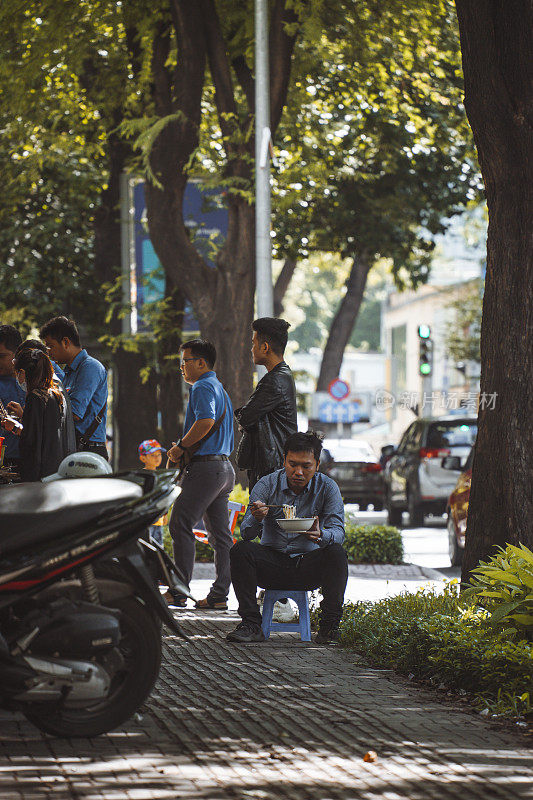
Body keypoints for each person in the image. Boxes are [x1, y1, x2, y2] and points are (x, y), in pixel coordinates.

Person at [227, 431, 348, 645]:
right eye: (292, 464)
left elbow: (339, 533)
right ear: (284, 461)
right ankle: (251, 624)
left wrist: (322, 535)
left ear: (317, 465)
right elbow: (246, 534)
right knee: (240, 550)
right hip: (271, 564)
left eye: (306, 466)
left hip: (308, 567)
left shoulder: (327, 488)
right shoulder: (266, 484)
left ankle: (329, 627)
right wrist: (256, 518)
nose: (298, 472)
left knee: (336, 553)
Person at [166, 339, 235, 610]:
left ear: (201, 363)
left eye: (185, 361)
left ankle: (179, 591)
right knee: (220, 536)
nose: (182, 367)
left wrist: (180, 447)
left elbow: (206, 420)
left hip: (206, 468)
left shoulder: (203, 386)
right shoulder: (220, 388)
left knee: (179, 523)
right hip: (224, 469)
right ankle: (219, 596)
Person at [234, 317, 297, 489]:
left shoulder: (274, 380)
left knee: (264, 514)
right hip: (275, 465)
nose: (252, 349)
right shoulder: (282, 375)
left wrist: (245, 418)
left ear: (265, 347)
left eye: (254, 343)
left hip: (271, 467)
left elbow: (245, 417)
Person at [40, 316, 108, 460]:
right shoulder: (69, 372)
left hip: (90, 451)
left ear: (65, 342)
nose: (49, 352)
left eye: (51, 346)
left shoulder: (90, 367)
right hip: (75, 447)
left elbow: (74, 413)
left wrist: (37, 414)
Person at [2, 349, 76, 481]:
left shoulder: (35, 397)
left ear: (23, 373)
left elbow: (31, 441)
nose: (17, 378)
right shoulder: (55, 394)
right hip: (56, 470)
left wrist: (14, 427)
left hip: (40, 475)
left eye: (17, 373)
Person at [0, 325, 25, 471]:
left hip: (31, 460)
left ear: (17, 353)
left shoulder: (37, 378)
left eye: (2, 356)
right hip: (4, 460)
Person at [138, 439, 168, 546]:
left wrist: (165, 514)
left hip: (158, 519)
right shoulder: (143, 476)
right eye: (153, 455)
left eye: (159, 454)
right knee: (146, 545)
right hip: (146, 520)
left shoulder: (160, 475)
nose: (157, 458)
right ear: (143, 458)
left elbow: (162, 495)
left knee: (158, 546)